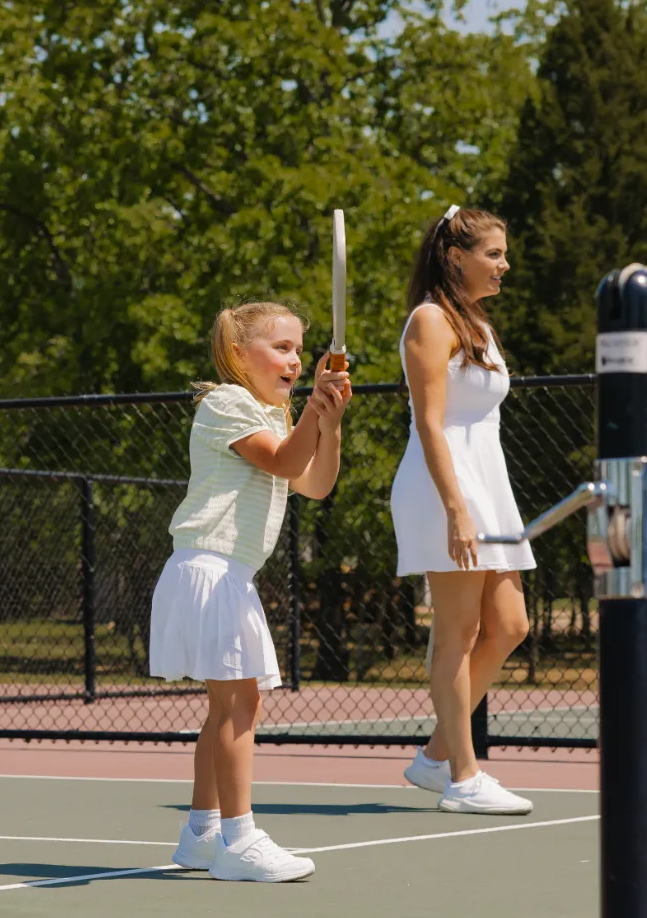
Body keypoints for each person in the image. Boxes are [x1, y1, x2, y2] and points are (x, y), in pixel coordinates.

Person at [152, 301, 351, 881]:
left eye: (298, 349)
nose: (294, 360)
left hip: (226, 573)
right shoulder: (227, 403)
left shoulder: (274, 414)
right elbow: (286, 461)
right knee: (242, 704)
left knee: (226, 708)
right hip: (209, 569)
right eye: (280, 348)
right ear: (239, 354)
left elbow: (313, 483)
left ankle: (200, 834)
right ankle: (239, 840)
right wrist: (314, 408)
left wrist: (328, 422)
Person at [391, 206, 536, 815]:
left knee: (509, 625)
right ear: (457, 256)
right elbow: (430, 422)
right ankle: (463, 776)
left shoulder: (474, 322)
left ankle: (432, 759)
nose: (505, 265)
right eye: (494, 254)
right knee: (458, 632)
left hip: (487, 482)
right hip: (442, 485)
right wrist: (455, 507)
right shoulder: (429, 321)